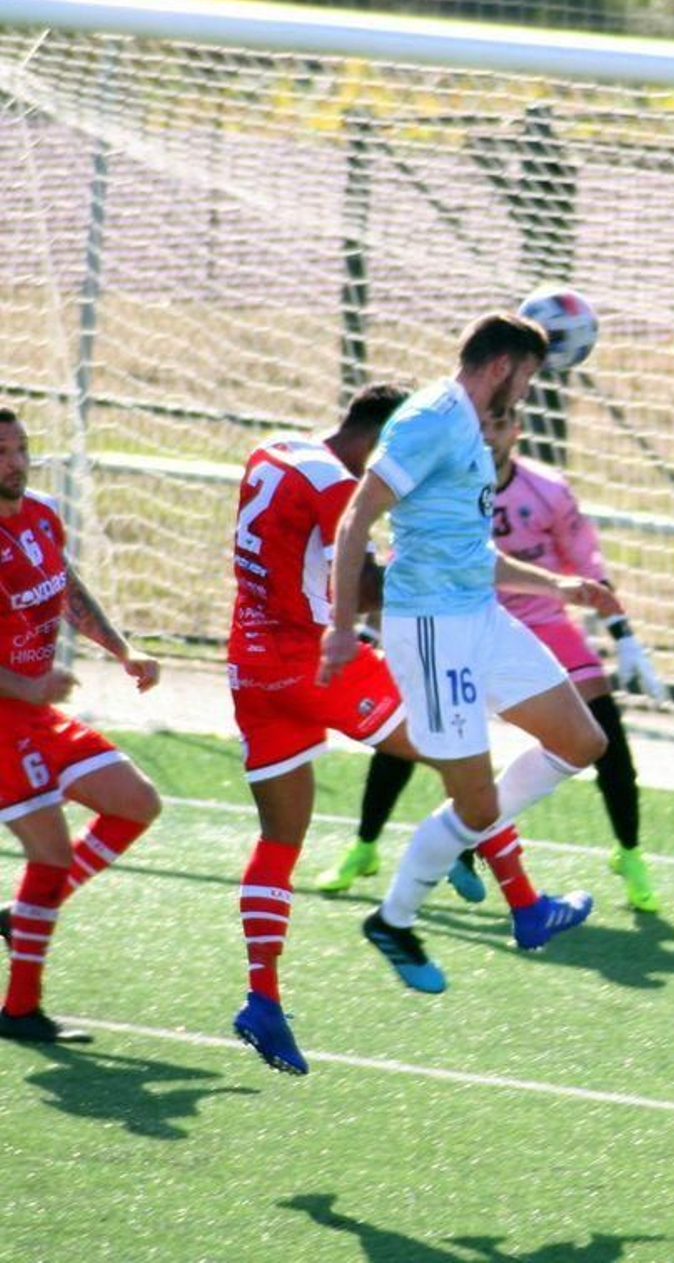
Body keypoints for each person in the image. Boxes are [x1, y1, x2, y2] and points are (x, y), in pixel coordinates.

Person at [319, 313, 618, 996]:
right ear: (502, 366)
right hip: (431, 630)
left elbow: (468, 549)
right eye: (531, 376)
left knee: (581, 739)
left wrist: (559, 585)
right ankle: (395, 918)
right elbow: (356, 516)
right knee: (476, 805)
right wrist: (341, 627)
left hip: (478, 616)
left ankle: (472, 836)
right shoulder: (430, 418)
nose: (531, 392)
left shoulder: (472, 429)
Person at [318, 407, 666, 912]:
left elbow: (586, 559)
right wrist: (362, 627)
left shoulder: (546, 488)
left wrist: (623, 635)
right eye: (484, 423)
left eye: (501, 424)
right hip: (459, 618)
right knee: (411, 733)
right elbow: (413, 557)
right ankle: (367, 847)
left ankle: (628, 853)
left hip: (540, 621)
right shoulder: (447, 479)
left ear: (517, 430)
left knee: (599, 730)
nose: (490, 433)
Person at [226, 383, 421, 1074]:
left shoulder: (273, 448)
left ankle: (263, 997)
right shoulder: (341, 489)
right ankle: (499, 874)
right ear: (381, 442)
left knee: (280, 838)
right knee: (445, 737)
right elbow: (362, 589)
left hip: (249, 661)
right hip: (308, 658)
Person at [0, 408, 163, 1045]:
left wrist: (122, 649)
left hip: (36, 714)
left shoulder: (40, 514)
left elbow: (63, 586)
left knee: (137, 803)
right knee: (51, 853)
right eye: (1, 452)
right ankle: (18, 1009)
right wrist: (26, 685)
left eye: (20, 448)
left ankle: (25, 915)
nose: (14, 462)